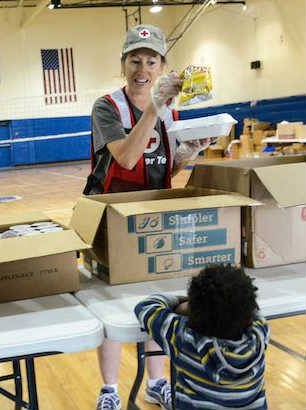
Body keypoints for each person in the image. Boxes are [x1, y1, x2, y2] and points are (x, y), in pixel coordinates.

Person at [83, 25, 214, 410]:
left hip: (153, 213)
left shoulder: (171, 110)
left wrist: (190, 151)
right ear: (122, 64)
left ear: (162, 66)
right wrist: (154, 108)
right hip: (108, 217)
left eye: (151, 61)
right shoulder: (107, 106)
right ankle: (109, 389)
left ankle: (157, 382)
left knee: (158, 300)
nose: (142, 68)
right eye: (134, 60)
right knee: (108, 304)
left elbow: (162, 169)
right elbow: (125, 157)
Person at [134, 265, 268, 409]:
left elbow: (146, 307)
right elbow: (253, 309)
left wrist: (190, 303)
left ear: (193, 311)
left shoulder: (185, 338)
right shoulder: (260, 334)